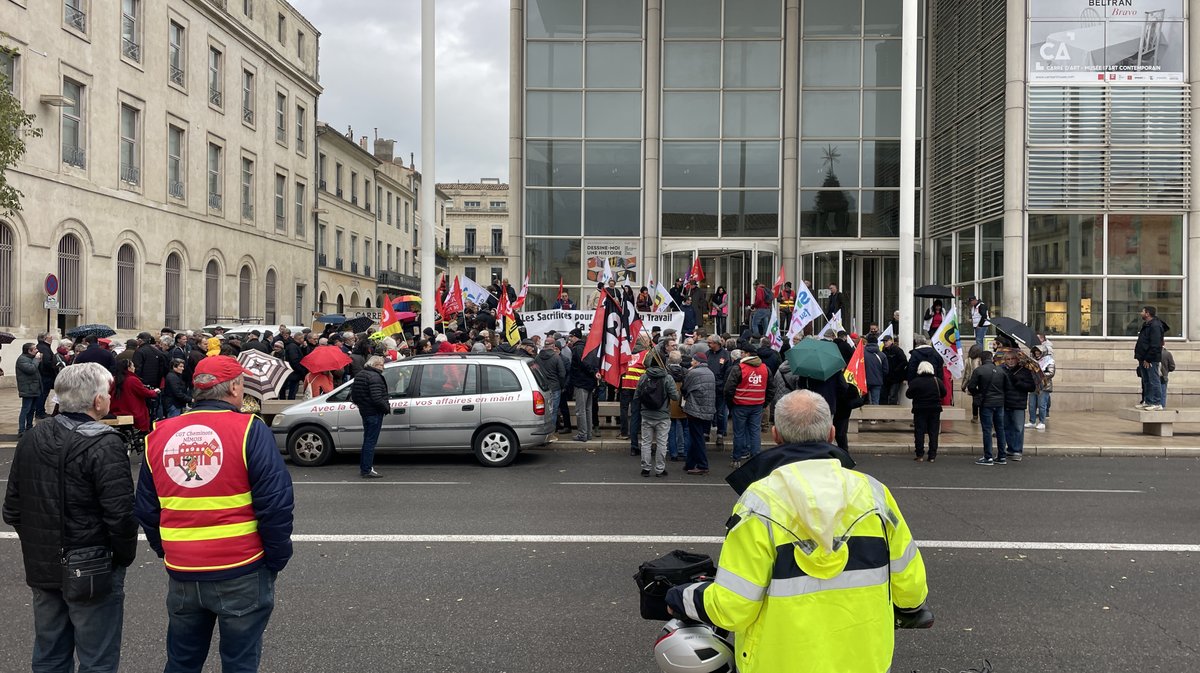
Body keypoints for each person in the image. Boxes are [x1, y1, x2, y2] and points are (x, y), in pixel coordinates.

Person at [665, 390, 931, 673]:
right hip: (865, 662)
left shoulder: (759, 502)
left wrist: (680, 597)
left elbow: (733, 607)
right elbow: (911, 591)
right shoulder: (874, 493)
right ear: (831, 433)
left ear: (776, 435)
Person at [134, 355, 294, 673]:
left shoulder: (159, 434)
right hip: (241, 566)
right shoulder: (250, 429)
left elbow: (147, 508)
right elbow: (275, 504)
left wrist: (167, 550)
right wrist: (276, 558)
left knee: (181, 662)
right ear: (234, 388)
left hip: (183, 569)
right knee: (239, 662)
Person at [4, 363, 139, 673]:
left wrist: (39, 543)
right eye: (107, 393)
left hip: (43, 563)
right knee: (97, 658)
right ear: (97, 401)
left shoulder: (32, 437)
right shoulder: (105, 443)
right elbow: (120, 515)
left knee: (50, 653)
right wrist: (121, 557)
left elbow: (12, 508)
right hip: (92, 563)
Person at [724, 348, 772, 469]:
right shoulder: (765, 368)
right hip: (757, 405)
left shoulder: (739, 368)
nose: (741, 355)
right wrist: (764, 403)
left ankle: (737, 459)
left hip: (740, 405)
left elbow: (728, 389)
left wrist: (731, 404)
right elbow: (771, 388)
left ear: (747, 354)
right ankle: (756, 459)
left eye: (742, 353)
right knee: (755, 432)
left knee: (739, 433)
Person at [636, 351, 679, 478]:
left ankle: (645, 468)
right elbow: (675, 397)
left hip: (646, 414)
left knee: (646, 442)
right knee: (662, 443)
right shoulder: (667, 378)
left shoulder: (644, 376)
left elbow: (637, 395)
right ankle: (660, 469)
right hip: (662, 415)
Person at [967, 350, 1009, 465]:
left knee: (987, 430)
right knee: (1000, 429)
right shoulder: (1001, 370)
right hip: (999, 402)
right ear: (991, 358)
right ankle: (1002, 456)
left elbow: (971, 386)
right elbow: (1007, 387)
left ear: (981, 359)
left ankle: (988, 456)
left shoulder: (979, 370)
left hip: (986, 403)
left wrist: (978, 394)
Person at [351, 355, 390, 478]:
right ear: (375, 365)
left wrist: (362, 405)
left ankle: (365, 467)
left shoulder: (360, 375)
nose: (383, 367)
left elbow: (354, 395)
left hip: (365, 411)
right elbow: (377, 398)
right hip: (374, 412)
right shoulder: (375, 377)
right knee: (370, 442)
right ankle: (367, 469)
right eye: (381, 365)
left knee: (367, 440)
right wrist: (386, 408)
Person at [682, 351, 716, 475]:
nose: (691, 362)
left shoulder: (693, 373)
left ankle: (702, 465)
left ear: (697, 362)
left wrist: (688, 372)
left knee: (697, 438)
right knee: (696, 436)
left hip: (695, 409)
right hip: (707, 409)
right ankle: (690, 463)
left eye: (693, 360)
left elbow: (684, 388)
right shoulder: (710, 373)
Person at [1001, 350, 1036, 462]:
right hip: (1005, 402)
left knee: (1018, 428)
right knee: (1006, 427)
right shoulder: (1002, 370)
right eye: (1008, 359)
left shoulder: (1024, 371)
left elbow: (1031, 387)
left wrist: (1018, 382)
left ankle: (1017, 450)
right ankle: (1010, 448)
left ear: (1017, 359)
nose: (1011, 361)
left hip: (1018, 403)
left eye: (1013, 359)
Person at [907, 361, 945, 462]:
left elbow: (908, 394)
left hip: (919, 409)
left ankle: (919, 454)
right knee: (933, 432)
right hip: (934, 409)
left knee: (919, 431)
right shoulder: (937, 381)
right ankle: (932, 455)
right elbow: (943, 393)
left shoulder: (916, 381)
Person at [110, 359, 159, 434]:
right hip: (133, 411)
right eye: (133, 366)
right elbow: (145, 392)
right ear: (129, 368)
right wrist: (154, 391)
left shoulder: (115, 380)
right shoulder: (132, 380)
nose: (134, 368)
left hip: (117, 412)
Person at [1134, 305, 1166, 411]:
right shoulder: (1147, 324)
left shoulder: (1155, 326)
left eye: (1143, 311)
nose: (1141, 313)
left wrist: (1148, 359)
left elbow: (1155, 345)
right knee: (1146, 380)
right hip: (1143, 357)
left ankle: (1156, 402)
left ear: (1147, 313)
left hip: (1151, 359)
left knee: (1153, 380)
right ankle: (1148, 401)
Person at [569, 328, 598, 442]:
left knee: (580, 410)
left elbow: (583, 364)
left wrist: (593, 372)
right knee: (587, 409)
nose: (570, 339)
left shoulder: (577, 348)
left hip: (581, 382)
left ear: (575, 336)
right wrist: (594, 373)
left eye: (571, 337)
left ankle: (582, 434)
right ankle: (588, 433)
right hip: (589, 382)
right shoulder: (587, 347)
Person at [16, 342, 42, 437]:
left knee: (32, 409)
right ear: (29, 351)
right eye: (35, 349)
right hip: (27, 388)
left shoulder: (31, 358)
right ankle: (21, 430)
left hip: (34, 388)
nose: (37, 350)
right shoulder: (22, 359)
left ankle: (29, 427)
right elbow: (31, 369)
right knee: (26, 409)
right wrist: (36, 359)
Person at [1026, 346, 1054, 429]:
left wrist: (1040, 374)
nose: (1037, 353)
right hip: (1034, 385)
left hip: (1044, 386)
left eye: (1038, 351)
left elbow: (1051, 373)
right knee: (1031, 405)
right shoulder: (1032, 361)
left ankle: (1042, 422)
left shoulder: (1049, 361)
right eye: (1035, 351)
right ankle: (1032, 421)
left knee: (1042, 405)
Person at [881, 335, 907, 405]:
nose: (885, 343)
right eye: (884, 341)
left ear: (891, 341)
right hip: (886, 377)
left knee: (893, 395)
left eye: (886, 341)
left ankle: (892, 409)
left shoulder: (897, 350)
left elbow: (904, 361)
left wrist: (896, 370)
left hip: (895, 377)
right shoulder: (884, 351)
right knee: (884, 395)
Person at [864, 334, 889, 406]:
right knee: (875, 402)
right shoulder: (882, 355)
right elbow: (886, 370)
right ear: (877, 342)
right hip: (877, 381)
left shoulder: (862, 353)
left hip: (864, 381)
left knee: (862, 402)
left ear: (867, 342)